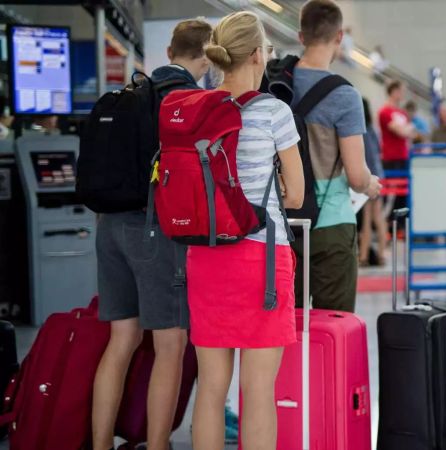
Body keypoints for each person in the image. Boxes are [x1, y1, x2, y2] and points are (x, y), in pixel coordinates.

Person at [91, 18, 213, 450]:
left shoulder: (129, 93)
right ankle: (158, 446)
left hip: (108, 228)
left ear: (168, 53)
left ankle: (101, 444)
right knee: (170, 345)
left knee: (120, 342)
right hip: (154, 232)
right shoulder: (192, 101)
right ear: (209, 56)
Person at [186, 12, 304, 450]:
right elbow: (295, 195)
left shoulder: (193, 108)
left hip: (205, 258)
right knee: (258, 392)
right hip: (261, 261)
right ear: (258, 55)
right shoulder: (274, 111)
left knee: (211, 389)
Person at [293, 0, 382, 313]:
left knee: (286, 333)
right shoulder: (344, 95)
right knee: (334, 327)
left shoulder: (277, 84)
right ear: (339, 37)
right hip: (330, 224)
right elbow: (357, 177)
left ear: (301, 36)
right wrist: (371, 185)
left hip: (284, 224)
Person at [359, 98, 388, 266]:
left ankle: (363, 256)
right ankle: (382, 253)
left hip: (369, 177)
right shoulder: (373, 130)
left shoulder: (360, 130)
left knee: (367, 219)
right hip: (379, 174)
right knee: (378, 217)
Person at [379, 80, 416, 171]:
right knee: (392, 183)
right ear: (394, 91)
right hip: (390, 157)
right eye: (402, 91)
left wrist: (406, 129)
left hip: (403, 156)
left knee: (404, 183)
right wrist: (410, 126)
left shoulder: (402, 113)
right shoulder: (385, 112)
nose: (403, 94)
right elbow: (401, 132)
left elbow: (412, 135)